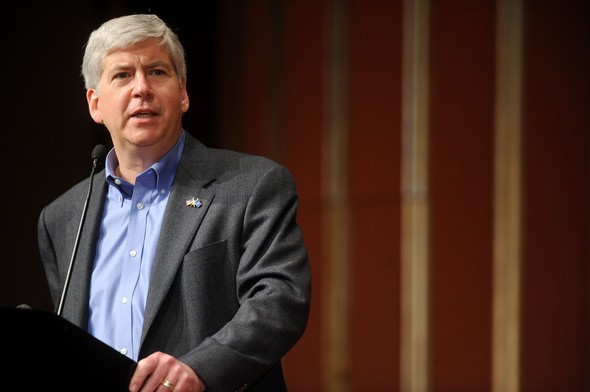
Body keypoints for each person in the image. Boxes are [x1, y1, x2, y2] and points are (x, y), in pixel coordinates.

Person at [37, 13, 311, 392]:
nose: (141, 89)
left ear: (182, 93)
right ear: (95, 104)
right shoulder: (63, 217)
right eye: (122, 75)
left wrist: (200, 369)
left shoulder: (252, 186)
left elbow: (279, 301)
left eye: (157, 72)